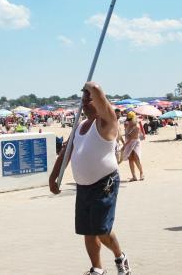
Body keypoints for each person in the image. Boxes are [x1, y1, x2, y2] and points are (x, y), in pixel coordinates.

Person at [48, 82, 130, 275]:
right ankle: (97, 268)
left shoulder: (106, 122)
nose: (84, 103)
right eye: (82, 100)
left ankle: (120, 257)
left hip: (104, 183)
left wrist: (93, 87)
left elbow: (101, 97)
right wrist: (53, 177)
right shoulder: (79, 126)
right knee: (88, 230)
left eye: (88, 99)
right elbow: (66, 152)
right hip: (83, 186)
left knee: (102, 230)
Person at [119, 112, 144, 182]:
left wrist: (124, 146)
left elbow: (132, 138)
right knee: (130, 159)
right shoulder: (126, 124)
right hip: (128, 142)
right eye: (128, 119)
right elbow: (126, 135)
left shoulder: (137, 127)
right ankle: (134, 176)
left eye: (130, 120)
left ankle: (141, 173)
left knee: (136, 158)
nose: (129, 121)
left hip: (135, 142)